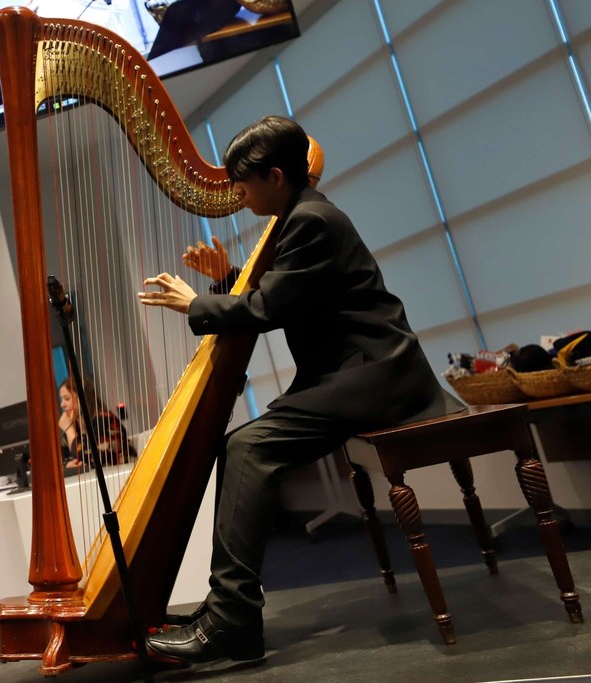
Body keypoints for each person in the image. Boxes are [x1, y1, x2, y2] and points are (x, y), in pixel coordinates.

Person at [136, 115, 461, 664]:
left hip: (373, 376)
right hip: (353, 374)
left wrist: (195, 303)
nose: (236, 192)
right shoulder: (302, 217)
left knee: (245, 447)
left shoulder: (310, 220)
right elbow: (291, 293)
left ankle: (233, 619)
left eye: (243, 182)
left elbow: (267, 307)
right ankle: (229, 610)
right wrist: (226, 278)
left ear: (278, 176)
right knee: (239, 445)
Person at [58, 375, 136, 469]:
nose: (62, 405)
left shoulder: (104, 422)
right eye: (61, 399)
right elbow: (60, 460)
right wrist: (67, 465)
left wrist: (69, 430)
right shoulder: (76, 429)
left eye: (67, 399)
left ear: (82, 399)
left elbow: (94, 459)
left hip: (126, 474)